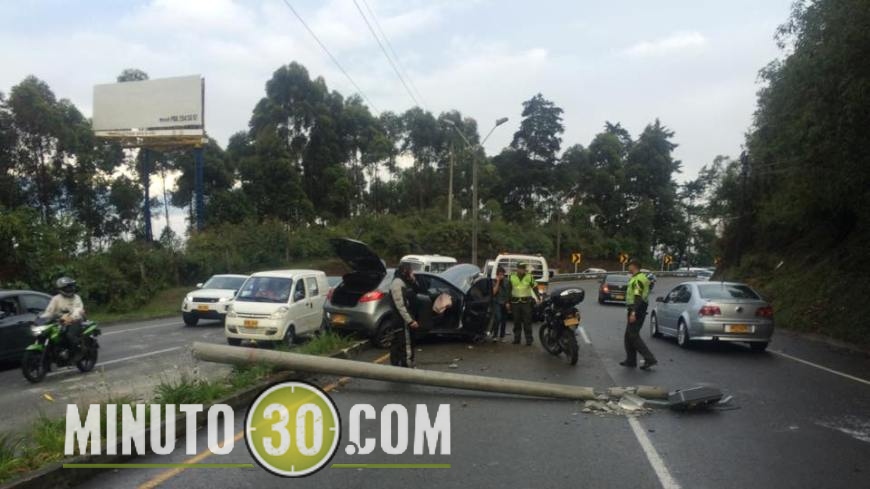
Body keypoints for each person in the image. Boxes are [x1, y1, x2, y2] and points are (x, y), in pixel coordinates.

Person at [621, 259, 658, 370]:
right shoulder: (637, 277)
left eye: (629, 265)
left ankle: (650, 359)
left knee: (633, 336)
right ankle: (631, 360)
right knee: (628, 336)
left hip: (637, 310)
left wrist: (633, 312)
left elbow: (638, 297)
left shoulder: (638, 279)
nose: (628, 267)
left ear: (634, 266)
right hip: (636, 309)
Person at [41, 276, 86, 358]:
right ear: (61, 289)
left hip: (75, 321)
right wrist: (41, 319)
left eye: (71, 287)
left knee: (70, 335)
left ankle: (77, 352)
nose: (70, 289)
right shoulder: (56, 299)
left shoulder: (76, 298)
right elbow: (49, 311)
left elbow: (78, 310)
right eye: (68, 288)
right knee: (49, 335)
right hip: (60, 322)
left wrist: (72, 318)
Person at [389, 263, 421, 367]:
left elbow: (418, 290)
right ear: (404, 271)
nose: (412, 272)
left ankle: (397, 366)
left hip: (405, 319)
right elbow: (400, 305)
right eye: (410, 271)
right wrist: (410, 320)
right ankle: (407, 367)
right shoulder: (397, 283)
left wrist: (413, 280)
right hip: (402, 321)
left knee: (399, 343)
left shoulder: (406, 282)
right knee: (405, 344)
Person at [508, 263, 540, 345]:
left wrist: (538, 298)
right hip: (515, 302)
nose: (522, 270)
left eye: (523, 268)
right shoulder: (511, 276)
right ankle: (516, 339)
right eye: (520, 268)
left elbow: (535, 287)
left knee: (527, 321)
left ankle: (529, 340)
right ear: (517, 268)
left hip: (526, 302)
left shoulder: (529, 276)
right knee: (516, 321)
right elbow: (508, 289)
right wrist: (507, 302)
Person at [490, 266, 511, 341]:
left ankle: (502, 336)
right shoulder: (493, 281)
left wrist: (508, 302)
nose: (501, 276)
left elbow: (508, 293)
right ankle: (494, 335)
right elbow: (494, 292)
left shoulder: (507, 281)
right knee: (498, 318)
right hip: (496, 302)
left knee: (504, 320)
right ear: (497, 274)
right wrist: (498, 281)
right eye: (499, 274)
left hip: (504, 302)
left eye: (502, 274)